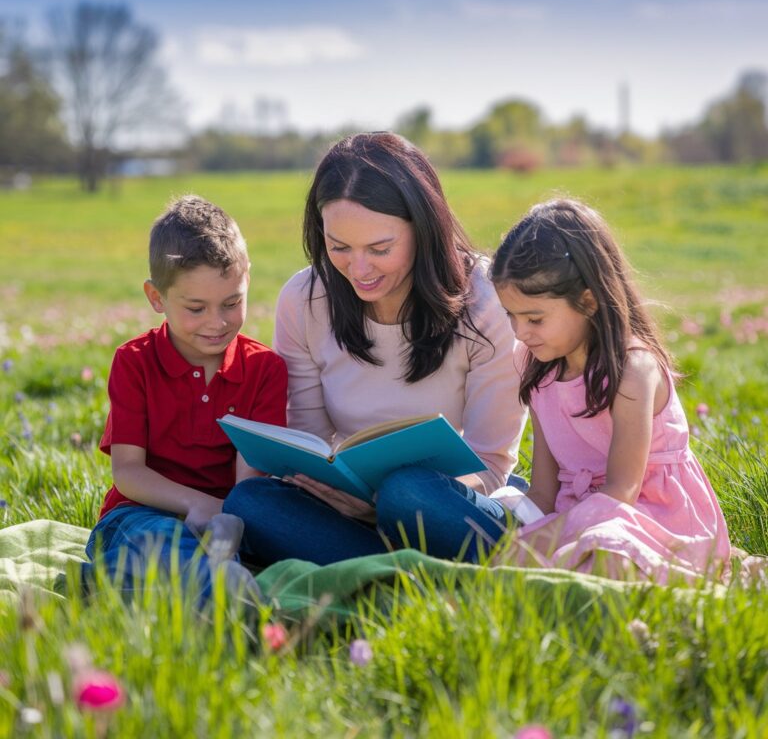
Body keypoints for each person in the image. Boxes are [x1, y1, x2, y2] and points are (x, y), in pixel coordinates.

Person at [224, 132, 528, 565]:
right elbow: (310, 442)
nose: (359, 269)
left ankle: (378, 568)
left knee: (408, 492)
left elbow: (491, 463)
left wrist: (382, 503)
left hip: (446, 499)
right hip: (346, 508)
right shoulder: (304, 300)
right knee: (249, 502)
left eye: (380, 248)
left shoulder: (485, 299)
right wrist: (335, 494)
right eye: (339, 248)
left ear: (424, 229)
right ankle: (407, 571)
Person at [489, 198, 731, 582]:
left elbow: (622, 492)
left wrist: (547, 538)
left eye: (534, 318)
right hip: (576, 517)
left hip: (653, 519)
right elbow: (544, 492)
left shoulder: (632, 371)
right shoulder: (536, 369)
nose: (520, 333)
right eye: (510, 316)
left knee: (604, 556)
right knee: (513, 556)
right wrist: (520, 533)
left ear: (587, 300)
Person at [82, 195, 288, 603]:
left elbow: (249, 482)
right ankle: (220, 593)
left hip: (228, 523)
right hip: (139, 514)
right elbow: (127, 472)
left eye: (232, 303)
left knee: (261, 541)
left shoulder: (265, 369)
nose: (218, 322)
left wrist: (222, 516)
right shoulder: (133, 361)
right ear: (156, 298)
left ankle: (138, 588)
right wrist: (196, 504)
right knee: (156, 542)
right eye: (196, 308)